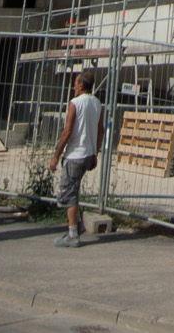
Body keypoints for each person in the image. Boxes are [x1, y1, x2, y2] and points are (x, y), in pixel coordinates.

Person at [48, 69, 104, 248]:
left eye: (75, 83)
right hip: (88, 154)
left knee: (69, 194)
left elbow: (67, 131)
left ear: (81, 85)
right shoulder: (97, 103)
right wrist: (96, 151)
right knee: (74, 189)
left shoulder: (75, 103)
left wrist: (56, 155)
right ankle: (76, 225)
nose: (73, 86)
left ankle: (73, 234)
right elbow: (100, 129)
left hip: (75, 155)